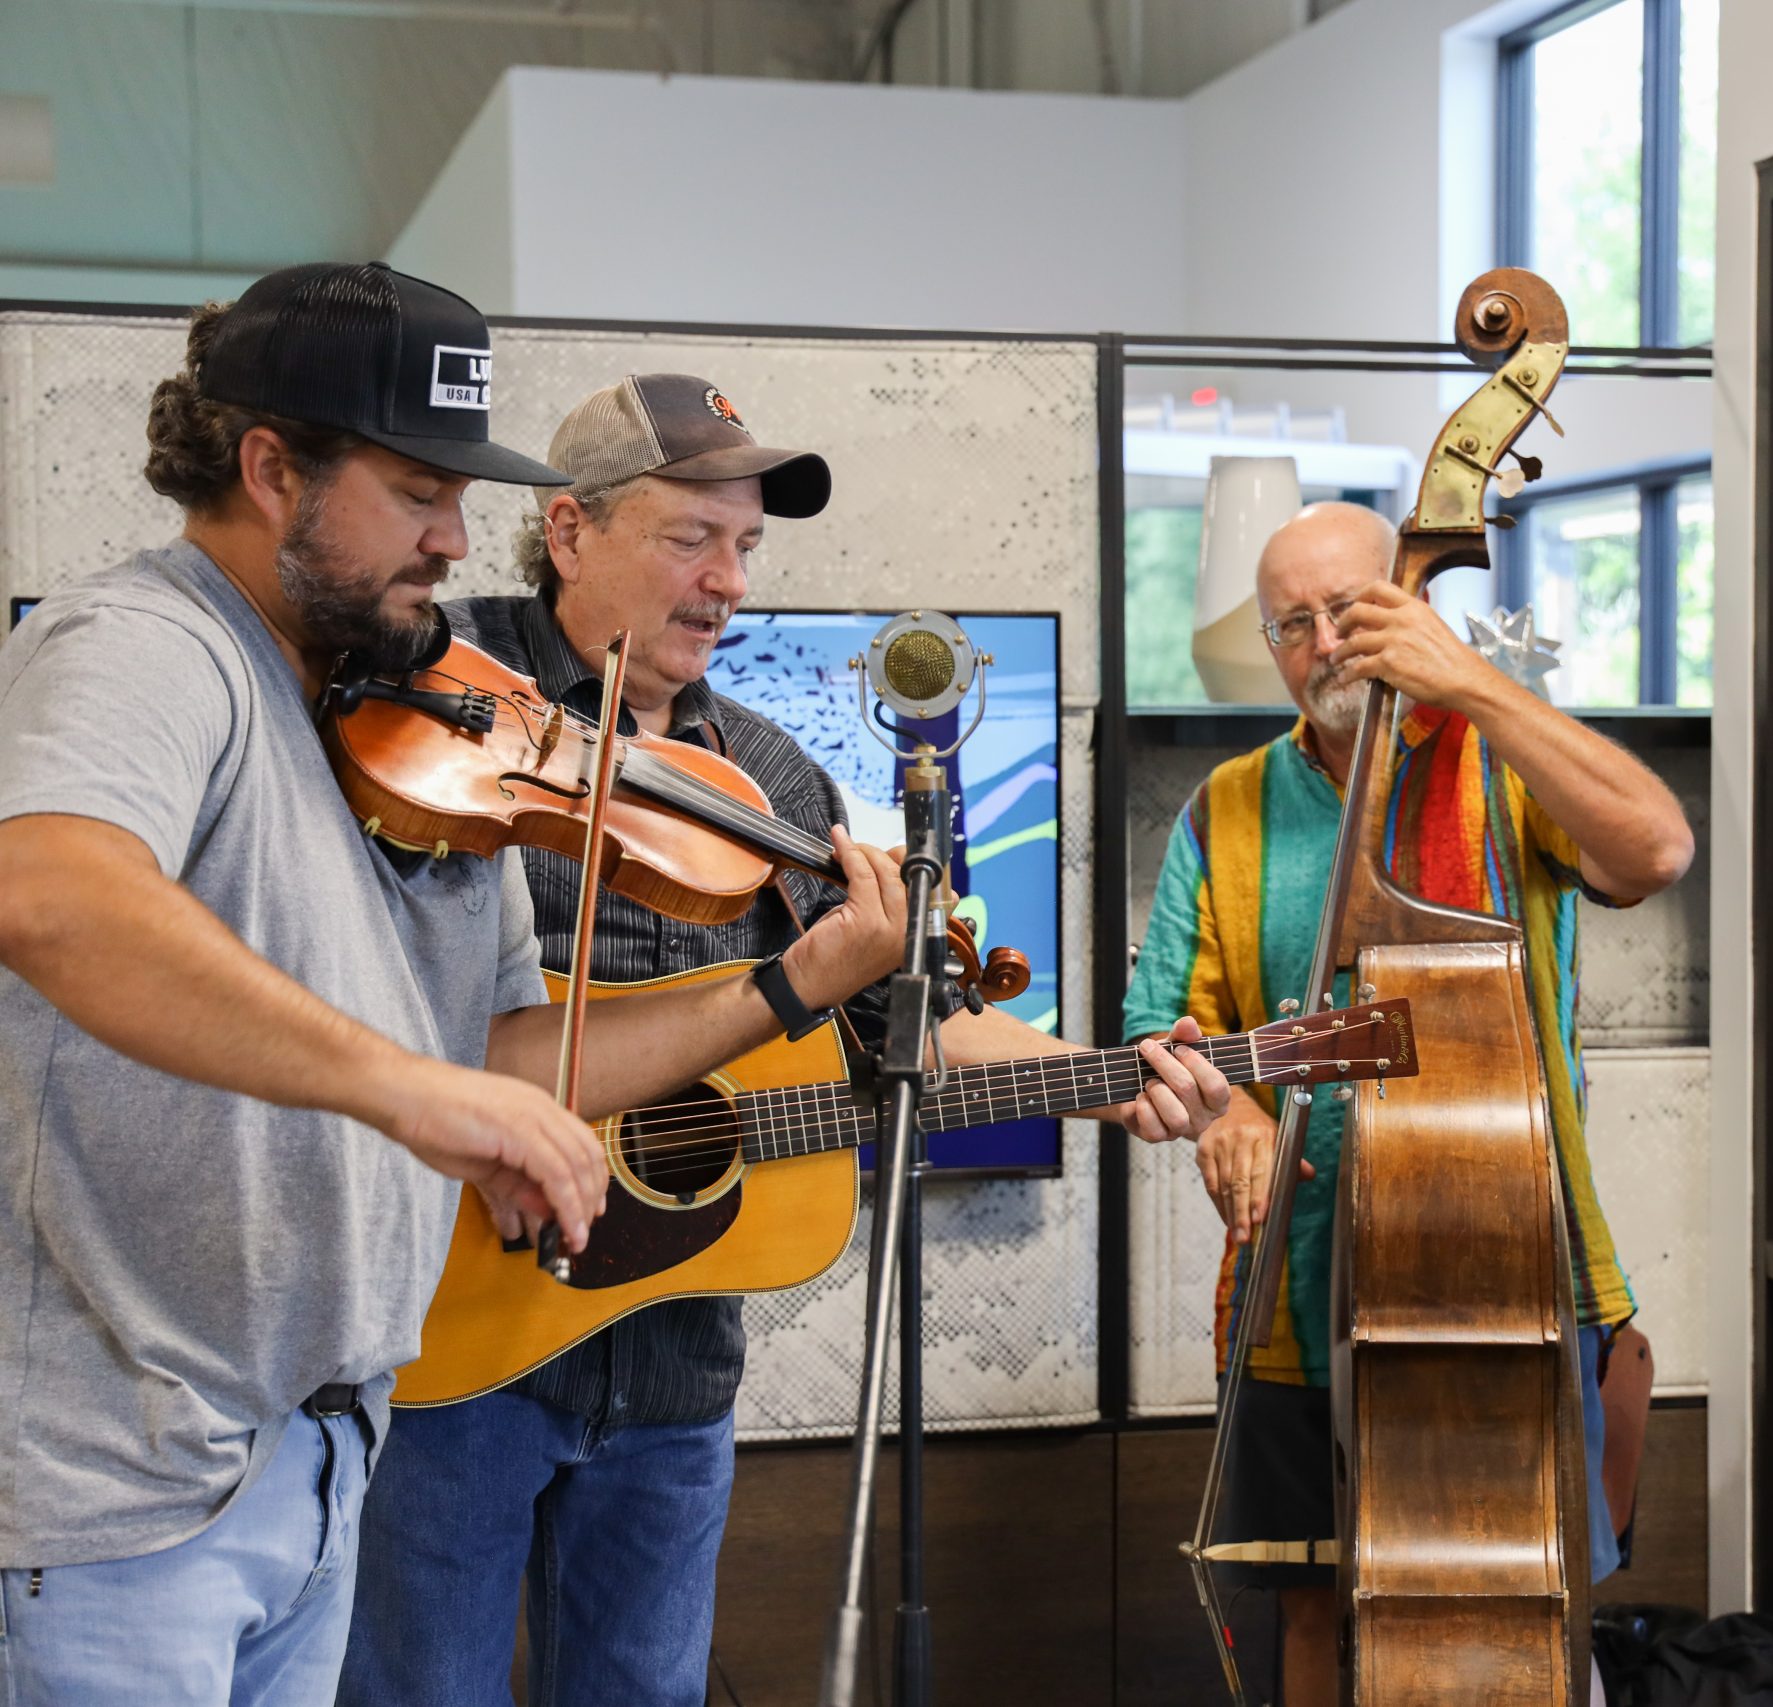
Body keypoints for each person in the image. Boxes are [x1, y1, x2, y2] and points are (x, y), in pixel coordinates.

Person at [0, 265, 915, 1705]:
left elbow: (502, 1051)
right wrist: (408, 1086)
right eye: (420, 487)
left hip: (311, 1457)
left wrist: (790, 987)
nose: (454, 535)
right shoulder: (144, 648)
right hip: (125, 1490)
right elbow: (52, 893)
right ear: (268, 466)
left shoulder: (435, 721)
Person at [336, 373, 1230, 1707]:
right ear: (569, 531)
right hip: (452, 1333)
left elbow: (907, 1018)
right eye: (690, 536)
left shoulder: (770, 779)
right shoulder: (432, 693)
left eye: (747, 545)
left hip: (674, 1354)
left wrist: (1104, 1080)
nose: (729, 580)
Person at [1123, 501, 1695, 1705]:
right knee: (1311, 1610)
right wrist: (1228, 1117)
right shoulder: (1224, 808)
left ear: (1415, 599)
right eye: (1293, 624)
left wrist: (1474, 686)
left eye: (1352, 608)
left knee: (1523, 1608)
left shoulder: (1501, 761)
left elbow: (1652, 851)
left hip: (1516, 1278)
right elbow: (1156, 1032)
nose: (1326, 643)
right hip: (1299, 1288)